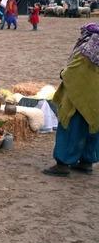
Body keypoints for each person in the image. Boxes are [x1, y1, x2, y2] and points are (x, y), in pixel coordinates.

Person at [43, 23, 99, 176]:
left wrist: (63, 73)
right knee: (92, 127)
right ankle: (87, 162)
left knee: (71, 126)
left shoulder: (85, 52)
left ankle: (63, 164)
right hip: (96, 102)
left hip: (77, 97)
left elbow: (71, 73)